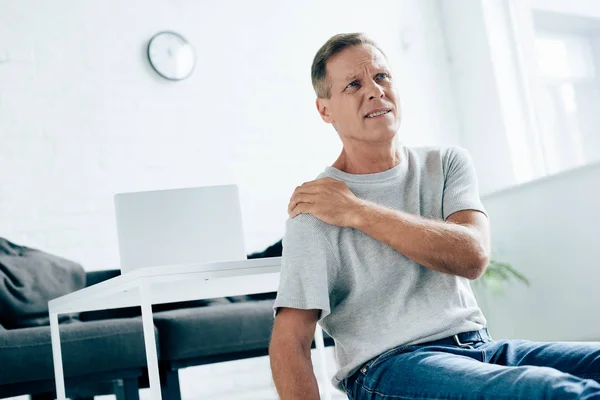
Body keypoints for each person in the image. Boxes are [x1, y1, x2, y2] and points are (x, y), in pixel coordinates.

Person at [268, 32, 600, 399]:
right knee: (549, 392)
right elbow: (289, 342)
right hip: (388, 367)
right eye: (353, 84)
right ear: (325, 110)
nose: (375, 91)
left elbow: (472, 255)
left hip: (479, 349)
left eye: (382, 77)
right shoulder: (316, 208)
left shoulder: (445, 164)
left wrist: (358, 211)